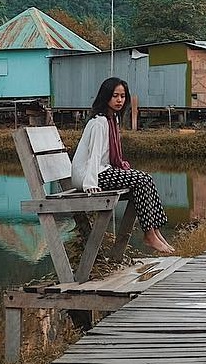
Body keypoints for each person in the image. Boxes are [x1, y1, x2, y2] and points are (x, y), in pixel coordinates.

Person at [71, 77, 175, 254]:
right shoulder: (98, 122)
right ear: (106, 97)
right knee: (141, 181)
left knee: (146, 178)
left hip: (102, 170)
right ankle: (149, 235)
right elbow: (94, 155)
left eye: (123, 96)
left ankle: (155, 231)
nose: (119, 100)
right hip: (90, 174)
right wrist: (90, 184)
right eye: (115, 96)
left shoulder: (112, 120)